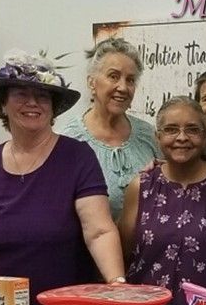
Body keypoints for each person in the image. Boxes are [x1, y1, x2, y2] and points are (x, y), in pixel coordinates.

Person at [0, 50, 125, 305]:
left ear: (52, 108)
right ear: (3, 105)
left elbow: (99, 231)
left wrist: (117, 285)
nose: (32, 103)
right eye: (21, 95)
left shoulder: (77, 157)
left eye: (42, 96)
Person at [120, 96, 206, 305]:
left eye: (192, 129)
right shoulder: (141, 186)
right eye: (171, 130)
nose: (182, 137)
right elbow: (124, 252)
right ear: (157, 137)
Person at [62, 37, 159, 218]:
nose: (122, 87)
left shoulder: (149, 135)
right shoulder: (69, 141)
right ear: (92, 82)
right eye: (113, 76)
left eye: (130, 80)